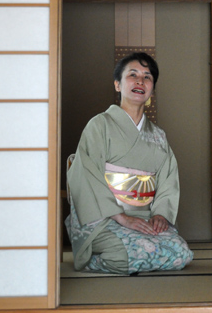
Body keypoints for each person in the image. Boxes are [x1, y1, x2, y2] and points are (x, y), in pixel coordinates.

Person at [65, 52, 193, 274]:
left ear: (152, 88)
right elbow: (86, 173)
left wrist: (160, 214)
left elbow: (167, 179)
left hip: (144, 217)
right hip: (104, 217)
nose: (140, 81)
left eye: (147, 77)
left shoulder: (158, 136)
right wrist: (121, 217)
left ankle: (129, 254)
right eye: (132, 75)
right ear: (117, 85)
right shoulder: (99, 125)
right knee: (127, 254)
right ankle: (93, 260)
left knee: (181, 253)